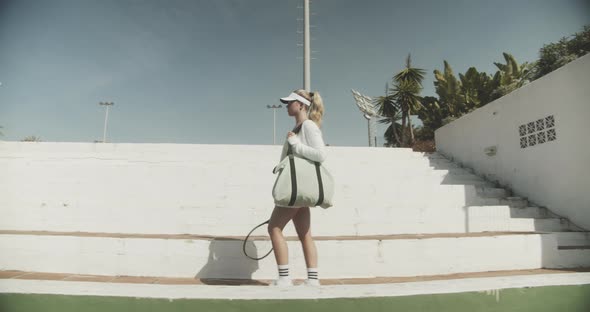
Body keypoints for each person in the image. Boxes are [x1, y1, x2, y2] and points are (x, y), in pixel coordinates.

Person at [267, 89, 327, 287]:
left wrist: (294, 143)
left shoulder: (308, 126)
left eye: (290, 102)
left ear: (301, 105)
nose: (287, 105)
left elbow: (320, 154)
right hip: (299, 187)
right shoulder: (300, 126)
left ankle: (284, 278)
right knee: (305, 234)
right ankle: (313, 279)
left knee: (274, 228)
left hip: (298, 189)